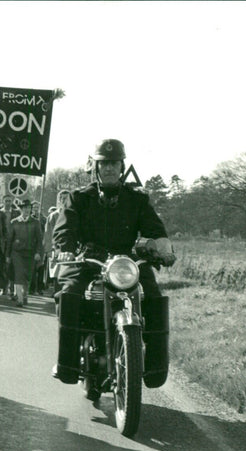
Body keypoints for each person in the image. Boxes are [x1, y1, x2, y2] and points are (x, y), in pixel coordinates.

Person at [51, 139, 174, 384]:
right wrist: (66, 249)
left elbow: (154, 228)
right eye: (104, 163)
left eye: (114, 163)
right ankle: (67, 366)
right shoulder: (79, 198)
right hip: (88, 260)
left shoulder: (136, 199)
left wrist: (163, 248)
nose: (109, 168)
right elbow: (64, 229)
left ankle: (155, 371)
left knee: (153, 295)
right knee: (70, 292)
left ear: (121, 166)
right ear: (95, 167)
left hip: (126, 263)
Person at [6, 198, 43, 307]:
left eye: (29, 208)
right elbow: (9, 240)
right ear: (21, 209)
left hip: (30, 253)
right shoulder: (14, 222)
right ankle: (20, 299)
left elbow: (39, 240)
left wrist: (38, 253)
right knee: (19, 274)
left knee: (28, 276)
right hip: (17, 252)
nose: (27, 210)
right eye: (25, 208)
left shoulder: (36, 222)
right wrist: (8, 255)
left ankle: (25, 294)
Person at [43, 189, 71, 293]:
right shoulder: (53, 216)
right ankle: (57, 295)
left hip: (69, 249)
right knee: (56, 273)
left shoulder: (73, 213)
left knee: (68, 273)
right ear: (59, 200)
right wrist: (49, 250)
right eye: (62, 198)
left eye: (66, 198)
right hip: (56, 249)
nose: (64, 201)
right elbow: (48, 233)